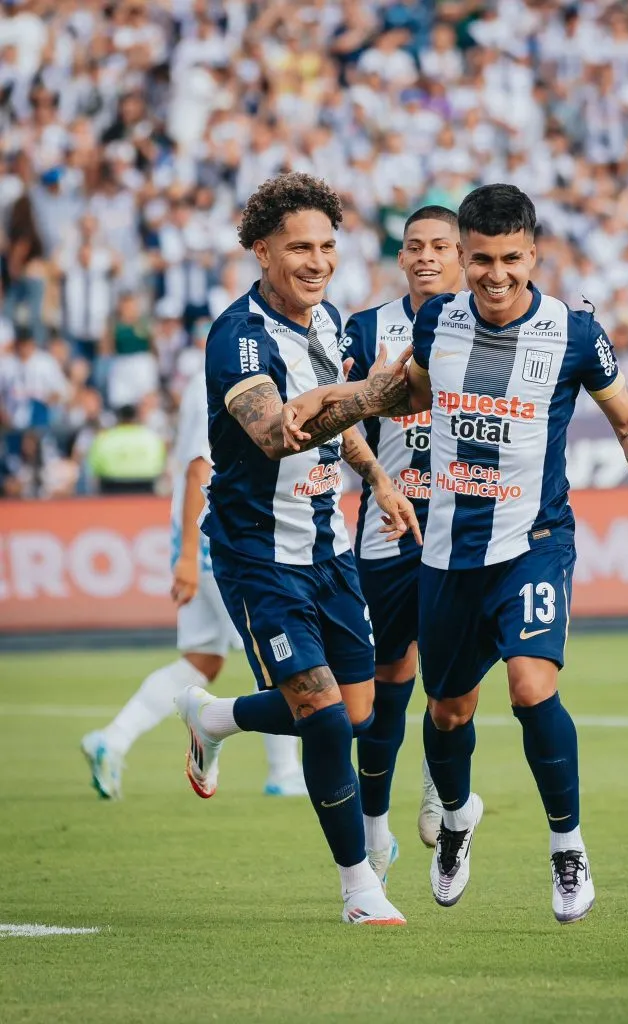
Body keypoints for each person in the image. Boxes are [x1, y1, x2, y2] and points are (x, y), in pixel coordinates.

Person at [281, 183, 628, 925]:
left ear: (533, 255)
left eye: (510, 260)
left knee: (531, 688)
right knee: (446, 713)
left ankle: (566, 846)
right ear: (462, 257)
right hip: (446, 555)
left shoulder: (573, 334)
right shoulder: (438, 320)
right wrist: (333, 401)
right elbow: (407, 395)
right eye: (481, 261)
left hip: (533, 543)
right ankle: (457, 818)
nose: (496, 276)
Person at [174, 172, 420, 926]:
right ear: (262, 251)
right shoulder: (238, 338)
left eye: (326, 247)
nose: (317, 262)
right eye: (299, 248)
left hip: (328, 546)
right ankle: (358, 888)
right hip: (257, 553)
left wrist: (377, 475)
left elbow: (334, 420)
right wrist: (379, 393)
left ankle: (216, 719)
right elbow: (274, 433)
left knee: (356, 711)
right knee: (321, 716)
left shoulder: (329, 321)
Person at [81, 371, 306, 800]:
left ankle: (112, 740)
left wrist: (185, 552)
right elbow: (198, 469)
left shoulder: (205, 378)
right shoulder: (226, 379)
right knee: (275, 649)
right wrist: (189, 554)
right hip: (220, 537)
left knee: (202, 660)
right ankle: (284, 771)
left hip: (200, 538)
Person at [340, 205, 463, 866]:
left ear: (460, 255)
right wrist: (377, 473)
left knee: (450, 679)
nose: (425, 257)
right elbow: (338, 416)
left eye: (439, 246)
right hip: (387, 529)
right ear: (401, 257)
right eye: (415, 246)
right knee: (385, 683)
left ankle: (439, 787)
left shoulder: (486, 324)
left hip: (463, 527)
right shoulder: (366, 328)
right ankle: (373, 831)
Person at [86, 403, 165, 494]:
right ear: (137, 417)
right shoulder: (151, 438)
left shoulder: (104, 438)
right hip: (145, 489)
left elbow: (94, 468)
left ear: (118, 418)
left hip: (111, 490)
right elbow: (160, 464)